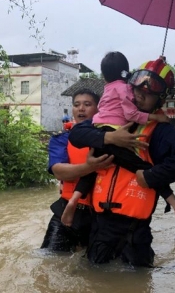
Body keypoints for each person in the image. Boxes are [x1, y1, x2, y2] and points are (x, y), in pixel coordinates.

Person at [68, 57, 175, 267]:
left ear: (161, 99)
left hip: (134, 233)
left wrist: (149, 176)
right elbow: (77, 134)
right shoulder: (112, 121)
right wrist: (109, 138)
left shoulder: (160, 132)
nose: (141, 93)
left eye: (150, 91)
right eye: (138, 87)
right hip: (100, 229)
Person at [41, 88, 115, 252]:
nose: (81, 108)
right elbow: (59, 171)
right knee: (48, 264)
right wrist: (90, 166)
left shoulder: (110, 139)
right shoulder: (62, 139)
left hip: (99, 217)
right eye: (77, 105)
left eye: (87, 104)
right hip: (66, 212)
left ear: (98, 109)